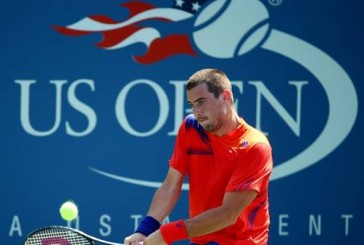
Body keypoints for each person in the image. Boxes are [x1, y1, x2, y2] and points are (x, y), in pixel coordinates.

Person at [124, 68, 273, 245]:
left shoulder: (255, 147)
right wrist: (145, 230)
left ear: (225, 96)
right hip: (201, 240)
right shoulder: (191, 128)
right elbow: (171, 184)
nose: (197, 111)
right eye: (192, 104)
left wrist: (167, 233)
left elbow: (227, 214)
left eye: (201, 102)